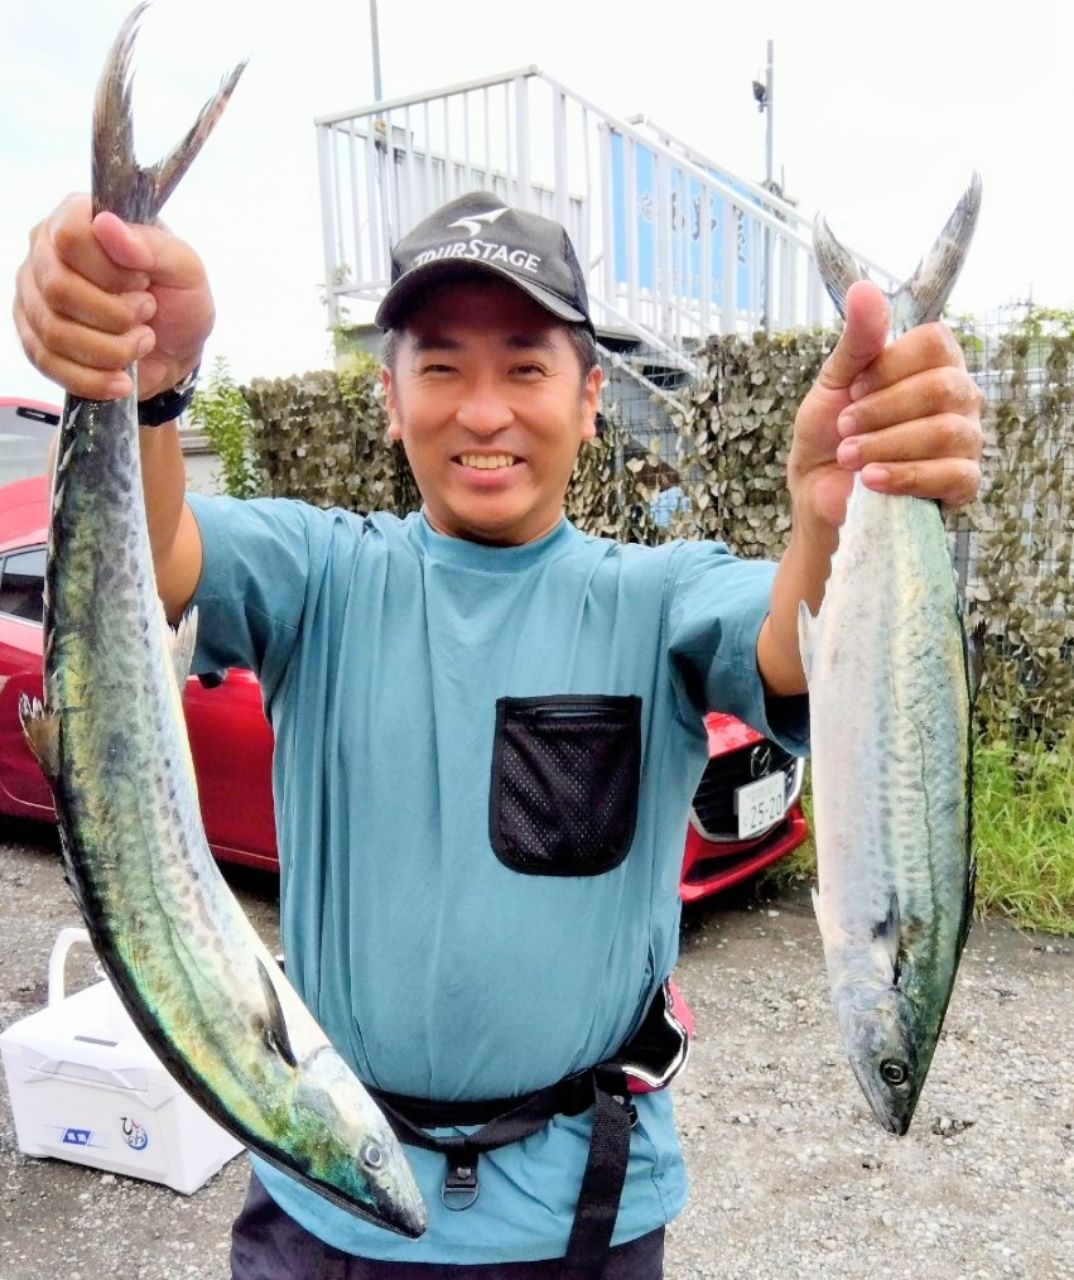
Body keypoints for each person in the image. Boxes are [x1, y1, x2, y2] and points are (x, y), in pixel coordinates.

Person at [13, 189, 983, 1278]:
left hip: (585, 1218)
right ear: (388, 398)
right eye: (440, 368)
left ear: (590, 398)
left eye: (525, 367)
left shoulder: (658, 595)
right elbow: (143, 560)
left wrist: (831, 511)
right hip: (330, 1196)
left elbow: (795, 647)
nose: (484, 411)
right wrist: (138, 382)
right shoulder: (319, 573)